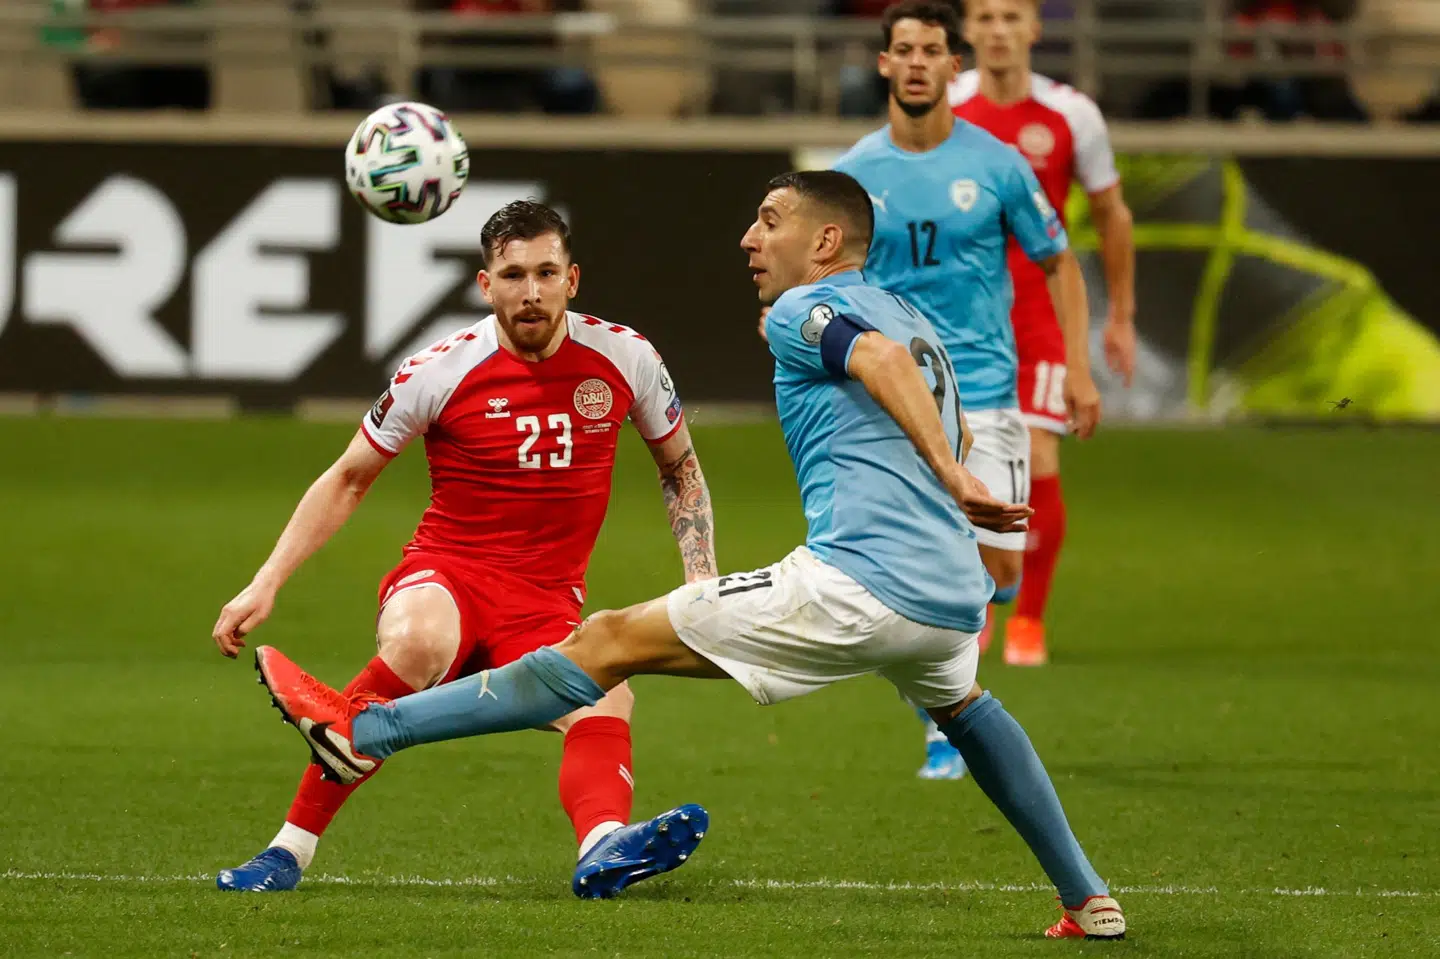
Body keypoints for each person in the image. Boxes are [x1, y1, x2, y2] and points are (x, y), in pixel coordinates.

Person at [248, 170, 1128, 939]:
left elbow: (880, 362)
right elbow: (939, 400)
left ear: (825, 241)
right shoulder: (910, 310)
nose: (749, 238)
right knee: (970, 712)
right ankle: (1088, 896)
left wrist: (950, 473)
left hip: (857, 582)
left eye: (770, 221)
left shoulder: (801, 309)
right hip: (947, 595)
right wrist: (952, 482)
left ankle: (365, 730)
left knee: (604, 644)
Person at [210, 200, 717, 898]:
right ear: (486, 285)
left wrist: (702, 581)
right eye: (513, 275)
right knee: (418, 642)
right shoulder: (439, 370)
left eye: (546, 272)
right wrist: (266, 580)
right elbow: (349, 477)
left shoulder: (626, 357)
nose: (531, 291)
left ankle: (603, 845)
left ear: (572, 278)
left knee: (607, 698)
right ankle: (287, 850)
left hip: (545, 600)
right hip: (447, 573)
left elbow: (679, 467)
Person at [827, 1, 1099, 779]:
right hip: (896, 399)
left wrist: (1078, 368)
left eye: (931, 51)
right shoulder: (854, 173)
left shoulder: (999, 164)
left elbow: (1059, 262)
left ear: (954, 65)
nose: (916, 63)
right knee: (924, 568)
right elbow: (824, 276)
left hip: (984, 391)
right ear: (885, 63)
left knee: (998, 575)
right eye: (904, 49)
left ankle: (963, 622)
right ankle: (942, 720)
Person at [950, 0, 1137, 668]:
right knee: (962, 459)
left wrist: (1120, 316)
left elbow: (1112, 214)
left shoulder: (1071, 114)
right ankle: (975, 607)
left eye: (1011, 16)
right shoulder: (946, 105)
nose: (998, 30)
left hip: (1040, 313)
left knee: (1038, 456)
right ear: (968, 30)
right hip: (963, 313)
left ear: (1034, 28)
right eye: (985, 17)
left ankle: (1028, 618)